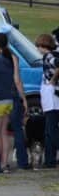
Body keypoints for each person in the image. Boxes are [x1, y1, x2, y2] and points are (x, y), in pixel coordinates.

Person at [0, 33, 28, 172]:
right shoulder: (13, 57)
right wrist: (23, 99)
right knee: (4, 132)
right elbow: (17, 80)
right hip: (9, 99)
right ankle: (4, 163)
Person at [35, 33, 59, 168]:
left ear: (42, 45)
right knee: (50, 129)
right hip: (54, 95)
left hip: (51, 96)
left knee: (51, 129)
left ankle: (50, 158)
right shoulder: (55, 54)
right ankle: (50, 159)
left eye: (38, 46)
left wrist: (53, 79)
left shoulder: (49, 57)